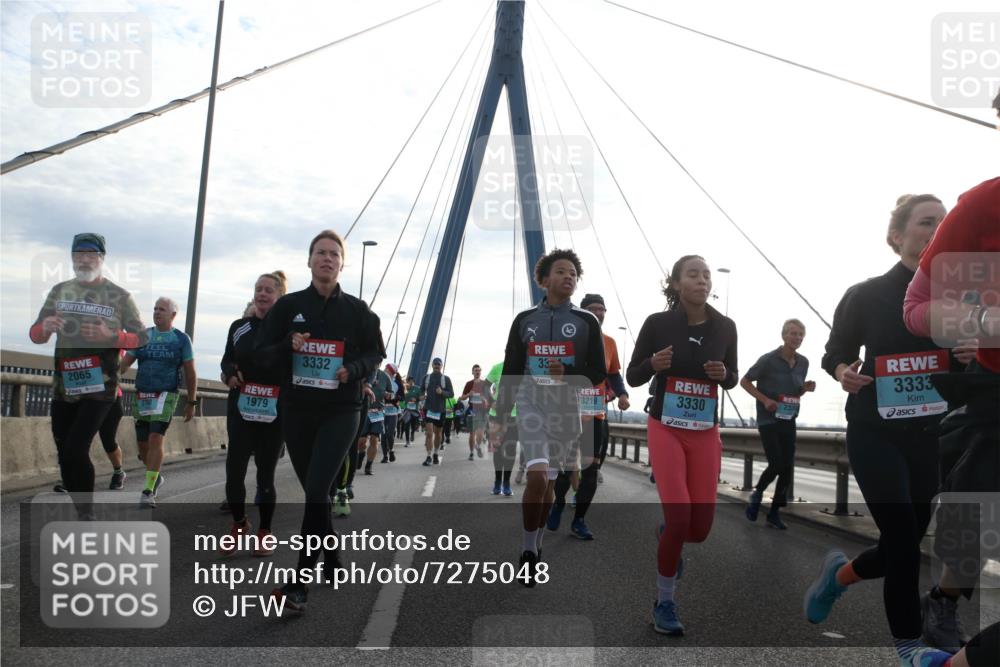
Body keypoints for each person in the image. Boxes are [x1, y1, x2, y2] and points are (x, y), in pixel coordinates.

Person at [805, 194, 974, 667]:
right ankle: (909, 648)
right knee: (901, 537)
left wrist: (966, 359)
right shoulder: (866, 294)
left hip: (930, 437)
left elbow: (965, 382)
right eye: (926, 222)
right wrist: (842, 370)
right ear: (897, 237)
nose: (938, 228)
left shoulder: (960, 300)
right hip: (874, 432)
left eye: (945, 222)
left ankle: (836, 578)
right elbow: (834, 350)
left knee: (903, 543)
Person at [257, 229, 384, 613]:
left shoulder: (359, 312)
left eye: (333, 254)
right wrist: (286, 346)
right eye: (320, 253)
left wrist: (353, 368)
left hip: (341, 411)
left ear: (342, 264)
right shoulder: (288, 307)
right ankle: (330, 555)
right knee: (319, 495)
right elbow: (259, 353)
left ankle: (298, 583)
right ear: (309, 261)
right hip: (297, 410)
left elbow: (375, 354)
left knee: (315, 491)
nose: (327, 258)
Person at [902, 177, 999, 654]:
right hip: (992, 398)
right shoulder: (982, 207)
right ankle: (943, 600)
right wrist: (978, 324)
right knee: (977, 509)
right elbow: (915, 307)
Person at [626, 255, 738, 636]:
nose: (702, 280)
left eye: (706, 275)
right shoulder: (657, 324)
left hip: (705, 429)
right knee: (679, 517)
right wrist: (653, 365)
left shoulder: (726, 326)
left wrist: (725, 376)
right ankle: (665, 600)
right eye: (693, 274)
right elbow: (632, 375)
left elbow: (733, 376)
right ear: (675, 283)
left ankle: (668, 540)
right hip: (666, 426)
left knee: (700, 528)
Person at [495, 249, 607, 586]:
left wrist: (568, 370)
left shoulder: (587, 322)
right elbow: (513, 367)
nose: (568, 277)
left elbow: (598, 371)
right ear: (544, 280)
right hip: (530, 402)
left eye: (573, 272)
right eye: (561, 271)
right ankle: (528, 550)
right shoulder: (525, 321)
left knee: (550, 483)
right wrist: (501, 415)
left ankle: (538, 539)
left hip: (566, 409)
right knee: (536, 478)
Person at [30, 233, 148, 501]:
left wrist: (112, 337)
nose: (84, 260)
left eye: (90, 255)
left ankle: (86, 516)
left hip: (101, 388)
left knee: (76, 449)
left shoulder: (119, 296)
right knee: (64, 452)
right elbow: (36, 334)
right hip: (64, 387)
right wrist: (45, 328)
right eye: (78, 255)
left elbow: (142, 338)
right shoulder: (59, 291)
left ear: (101, 259)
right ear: (72, 258)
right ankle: (78, 511)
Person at [548, 293, 629, 540]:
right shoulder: (568, 338)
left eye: (603, 309)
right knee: (566, 467)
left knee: (592, 468)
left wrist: (622, 393)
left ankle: (579, 520)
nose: (599, 313)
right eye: (594, 309)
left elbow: (613, 374)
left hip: (596, 412)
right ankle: (559, 502)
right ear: (582, 313)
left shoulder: (610, 343)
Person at [218, 271, 288, 556]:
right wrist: (230, 373)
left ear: (279, 296)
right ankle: (239, 523)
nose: (262, 294)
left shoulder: (287, 332)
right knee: (234, 473)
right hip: (242, 410)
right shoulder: (239, 327)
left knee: (265, 475)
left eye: (268, 290)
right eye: (258, 289)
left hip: (274, 413)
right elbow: (227, 360)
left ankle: (265, 531)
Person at [121, 297, 197, 508]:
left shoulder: (181, 339)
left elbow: (190, 372)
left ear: (173, 315)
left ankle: (147, 491)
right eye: (155, 308)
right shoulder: (144, 336)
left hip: (166, 394)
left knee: (156, 437)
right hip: (142, 394)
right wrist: (109, 377)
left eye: (162, 309)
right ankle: (155, 476)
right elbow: (125, 363)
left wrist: (191, 401)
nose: (157, 312)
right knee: (143, 444)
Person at [740, 319, 816, 529]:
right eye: (793, 333)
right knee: (776, 463)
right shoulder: (768, 359)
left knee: (787, 467)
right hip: (768, 419)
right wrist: (765, 400)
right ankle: (757, 494)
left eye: (800, 334)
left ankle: (773, 513)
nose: (797, 338)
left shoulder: (803, 362)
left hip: (788, 417)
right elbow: (745, 381)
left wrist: (805, 389)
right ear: (783, 336)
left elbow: (795, 390)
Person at [485, 360, 516, 496]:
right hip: (496, 415)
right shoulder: (497, 367)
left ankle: (507, 482)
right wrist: (491, 401)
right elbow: (485, 386)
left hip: (515, 416)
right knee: (497, 449)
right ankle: (497, 482)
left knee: (510, 449)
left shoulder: (523, 369)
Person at [420, 358, 454, 466]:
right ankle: (429, 456)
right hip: (429, 408)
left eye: (438, 365)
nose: (436, 366)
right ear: (432, 365)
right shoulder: (426, 378)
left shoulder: (446, 379)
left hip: (440, 410)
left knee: (438, 434)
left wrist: (442, 392)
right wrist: (421, 396)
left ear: (441, 366)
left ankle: (435, 454)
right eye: (435, 364)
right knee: (429, 433)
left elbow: (451, 394)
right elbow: (421, 389)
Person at [460, 364, 492, 459]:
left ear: (480, 372)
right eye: (476, 370)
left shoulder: (484, 384)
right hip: (472, 411)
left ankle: (477, 446)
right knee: (472, 433)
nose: (477, 372)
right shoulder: (469, 384)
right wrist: (468, 394)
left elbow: (490, 397)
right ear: (472, 372)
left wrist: (487, 401)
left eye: (479, 370)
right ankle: (471, 453)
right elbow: (462, 397)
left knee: (480, 432)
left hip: (482, 411)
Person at [381, 363, 405, 463]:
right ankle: (385, 456)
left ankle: (391, 450)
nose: (384, 370)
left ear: (391, 371)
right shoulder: (380, 380)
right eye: (385, 368)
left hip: (393, 410)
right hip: (381, 409)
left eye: (386, 369)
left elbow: (402, 397)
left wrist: (395, 398)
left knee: (390, 433)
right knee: (383, 434)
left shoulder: (397, 383)